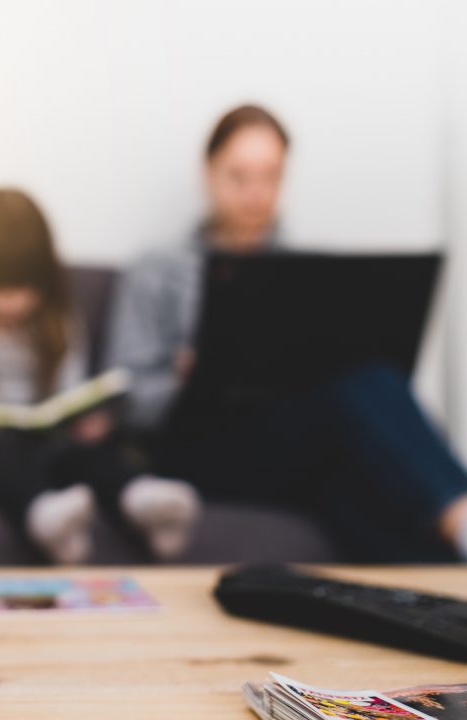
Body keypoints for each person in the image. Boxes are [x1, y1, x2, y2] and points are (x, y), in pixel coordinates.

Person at [107, 104, 467, 561]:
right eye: (239, 177)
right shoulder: (157, 269)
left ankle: (440, 605)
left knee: (356, 476)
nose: (256, 194)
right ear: (208, 174)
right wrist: (186, 377)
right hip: (196, 448)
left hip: (295, 441)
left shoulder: (308, 277)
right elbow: (123, 397)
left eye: (271, 177)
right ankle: (461, 516)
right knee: (366, 392)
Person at [0, 189, 199, 564]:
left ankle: (141, 498)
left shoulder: (58, 321)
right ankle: (45, 514)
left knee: (84, 454)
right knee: (1, 455)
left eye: (22, 287)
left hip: (45, 443)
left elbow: (68, 392)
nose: (10, 302)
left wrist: (82, 418)